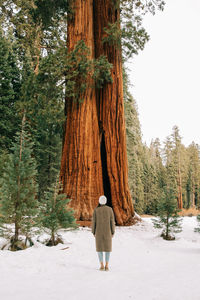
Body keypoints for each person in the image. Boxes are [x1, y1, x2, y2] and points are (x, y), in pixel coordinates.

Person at [92, 195, 115, 271]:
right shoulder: (110, 209)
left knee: (99, 249)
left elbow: (94, 222)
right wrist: (113, 231)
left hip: (98, 232)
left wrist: (93, 231)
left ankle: (101, 265)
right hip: (108, 231)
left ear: (99, 201)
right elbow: (112, 221)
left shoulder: (96, 210)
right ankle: (107, 266)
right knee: (108, 249)